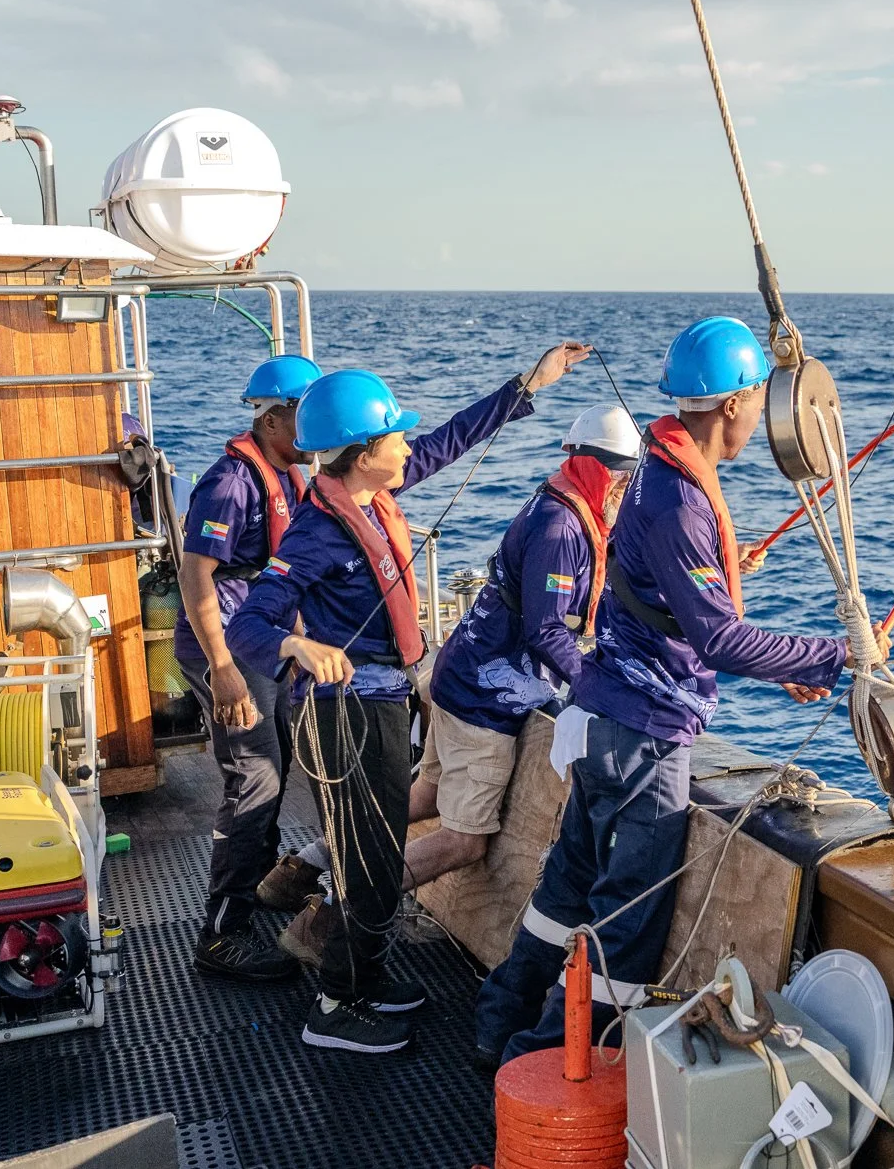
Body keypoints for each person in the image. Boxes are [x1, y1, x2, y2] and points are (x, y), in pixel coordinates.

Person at [475, 317, 855, 1066]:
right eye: (753, 395)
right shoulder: (680, 500)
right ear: (732, 405)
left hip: (604, 723)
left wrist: (777, 660)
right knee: (628, 925)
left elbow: (667, 602)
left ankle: (501, 1026)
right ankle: (549, 1064)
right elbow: (715, 639)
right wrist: (831, 657)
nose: (757, 410)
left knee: (565, 894)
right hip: (645, 741)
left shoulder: (654, 469)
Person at [227, 346, 589, 1055]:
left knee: (379, 847)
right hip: (347, 716)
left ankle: (367, 974)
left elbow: (451, 439)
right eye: (395, 434)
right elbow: (250, 622)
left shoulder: (370, 492)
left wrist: (526, 384)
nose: (407, 444)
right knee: (366, 863)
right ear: (363, 453)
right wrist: (297, 649)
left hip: (387, 704)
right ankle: (335, 1004)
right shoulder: (316, 530)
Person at [277, 405, 642, 967]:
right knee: (464, 840)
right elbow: (547, 631)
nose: (627, 491)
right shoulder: (563, 528)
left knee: (418, 796)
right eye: (624, 479)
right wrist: (598, 687)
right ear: (608, 476)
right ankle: (330, 913)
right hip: (485, 702)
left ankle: (307, 862)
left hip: (455, 676)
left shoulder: (562, 503)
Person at [177, 353, 322, 982]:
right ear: (273, 420)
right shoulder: (230, 484)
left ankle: (256, 890)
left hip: (260, 644)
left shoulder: (286, 476)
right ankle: (221, 935)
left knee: (276, 765)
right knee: (256, 779)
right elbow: (195, 573)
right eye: (306, 417)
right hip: (229, 651)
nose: (316, 432)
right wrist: (223, 669)